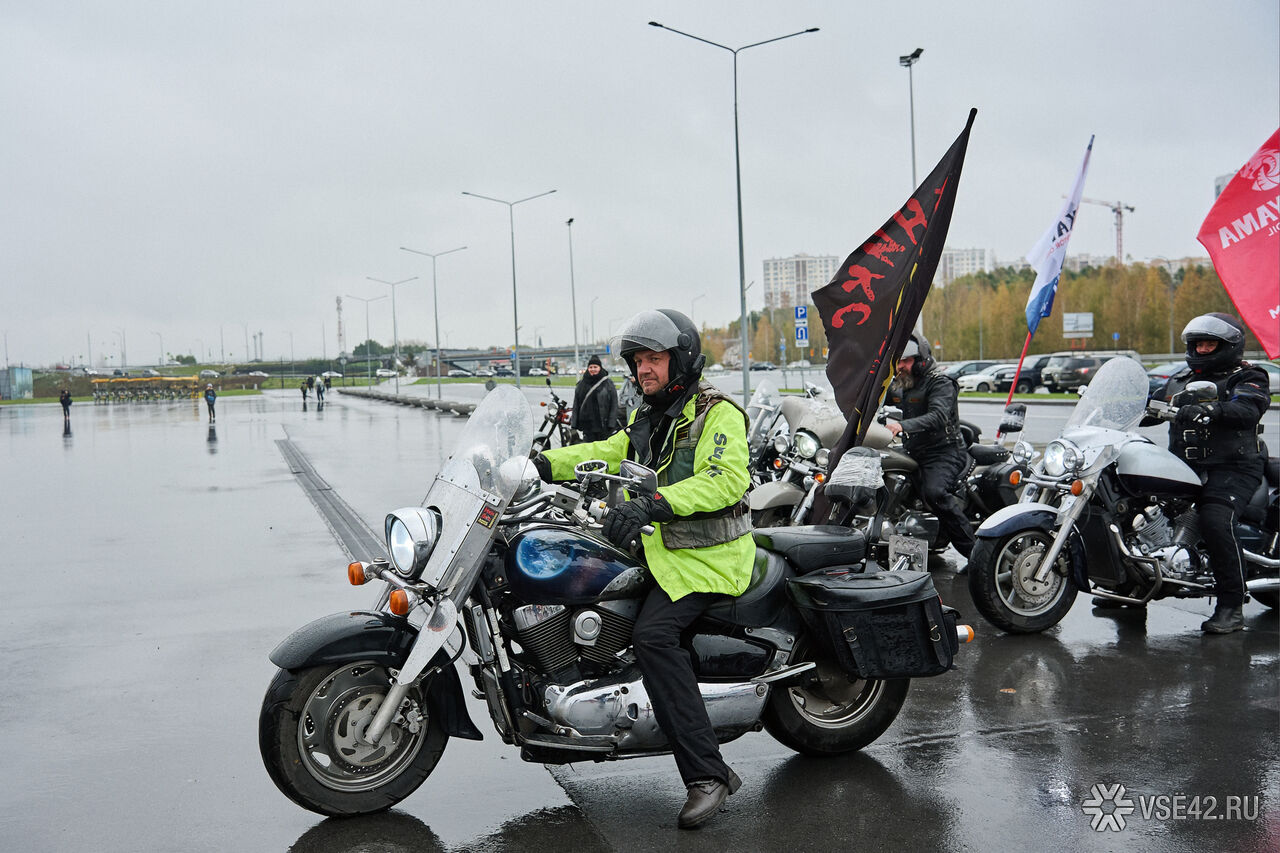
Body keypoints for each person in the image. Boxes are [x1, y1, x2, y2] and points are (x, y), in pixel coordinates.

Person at [532, 309, 753, 829]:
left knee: (653, 637)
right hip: (660, 549)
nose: (643, 369)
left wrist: (653, 503)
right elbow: (610, 452)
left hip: (707, 558)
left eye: (654, 358)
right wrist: (542, 463)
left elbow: (724, 479)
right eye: (637, 361)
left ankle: (708, 774)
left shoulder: (718, 414)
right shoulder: (649, 415)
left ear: (681, 359)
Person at [1149, 313, 1270, 634]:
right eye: (1198, 344)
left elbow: (1248, 408)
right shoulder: (1180, 379)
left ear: (1229, 346)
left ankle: (1231, 606)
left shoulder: (1248, 376)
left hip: (1234, 466)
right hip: (1184, 466)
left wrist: (1211, 409)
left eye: (1210, 344)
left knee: (1215, 519)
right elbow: (1153, 404)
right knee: (1139, 509)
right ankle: (1130, 587)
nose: (1202, 349)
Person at [883, 333, 975, 566]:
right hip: (915, 451)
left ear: (921, 360)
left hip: (944, 452)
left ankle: (974, 554)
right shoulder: (904, 383)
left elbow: (938, 416)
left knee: (935, 493)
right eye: (898, 361)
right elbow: (879, 398)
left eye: (906, 361)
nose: (900, 366)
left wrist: (901, 426)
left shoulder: (941, 383)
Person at [569, 354, 619, 442]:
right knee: (589, 448)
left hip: (604, 425)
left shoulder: (608, 383)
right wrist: (574, 424)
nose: (593, 369)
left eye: (595, 367)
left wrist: (611, 423)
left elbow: (614, 405)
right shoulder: (581, 384)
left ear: (600, 368)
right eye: (590, 367)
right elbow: (576, 404)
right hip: (587, 426)